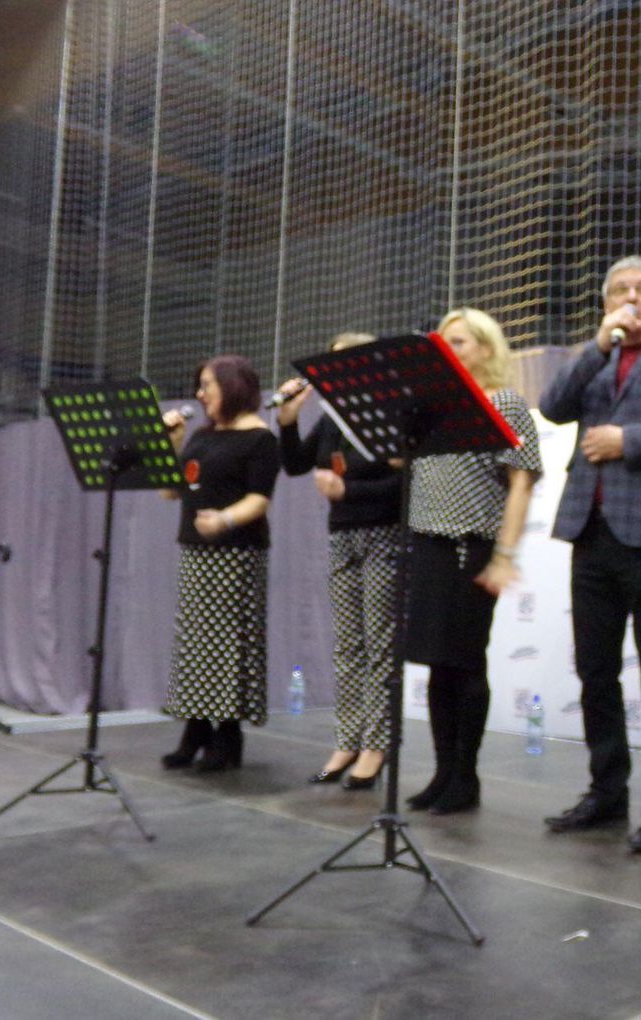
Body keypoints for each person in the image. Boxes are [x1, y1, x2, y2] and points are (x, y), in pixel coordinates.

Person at [538, 256, 641, 852]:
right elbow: (553, 406)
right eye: (619, 291)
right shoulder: (596, 355)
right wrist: (596, 345)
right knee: (595, 672)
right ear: (607, 303)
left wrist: (628, 441)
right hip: (591, 532)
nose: (631, 299)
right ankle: (606, 792)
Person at [403, 308, 542, 815]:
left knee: (463, 661)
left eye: (458, 342)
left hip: (470, 545)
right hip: (429, 545)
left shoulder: (504, 403)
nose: (447, 350)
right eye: (442, 343)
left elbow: (521, 482)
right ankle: (443, 772)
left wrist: (504, 554)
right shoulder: (433, 409)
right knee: (438, 666)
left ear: (486, 348)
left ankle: (466, 777)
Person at [277, 332, 402, 790]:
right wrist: (288, 421)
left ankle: (377, 744)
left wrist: (349, 489)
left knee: (380, 644)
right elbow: (296, 465)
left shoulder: (388, 415)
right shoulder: (334, 417)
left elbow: (403, 484)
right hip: (342, 535)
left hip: (383, 533)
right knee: (348, 644)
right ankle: (348, 739)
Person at [159, 354, 280, 771]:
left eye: (207, 385)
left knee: (229, 647)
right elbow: (170, 492)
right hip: (196, 551)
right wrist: (173, 444)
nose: (199, 393)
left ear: (231, 387)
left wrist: (225, 519)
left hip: (236, 554)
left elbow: (260, 499)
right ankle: (196, 729)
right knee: (196, 646)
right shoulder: (201, 435)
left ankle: (228, 734)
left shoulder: (260, 439)